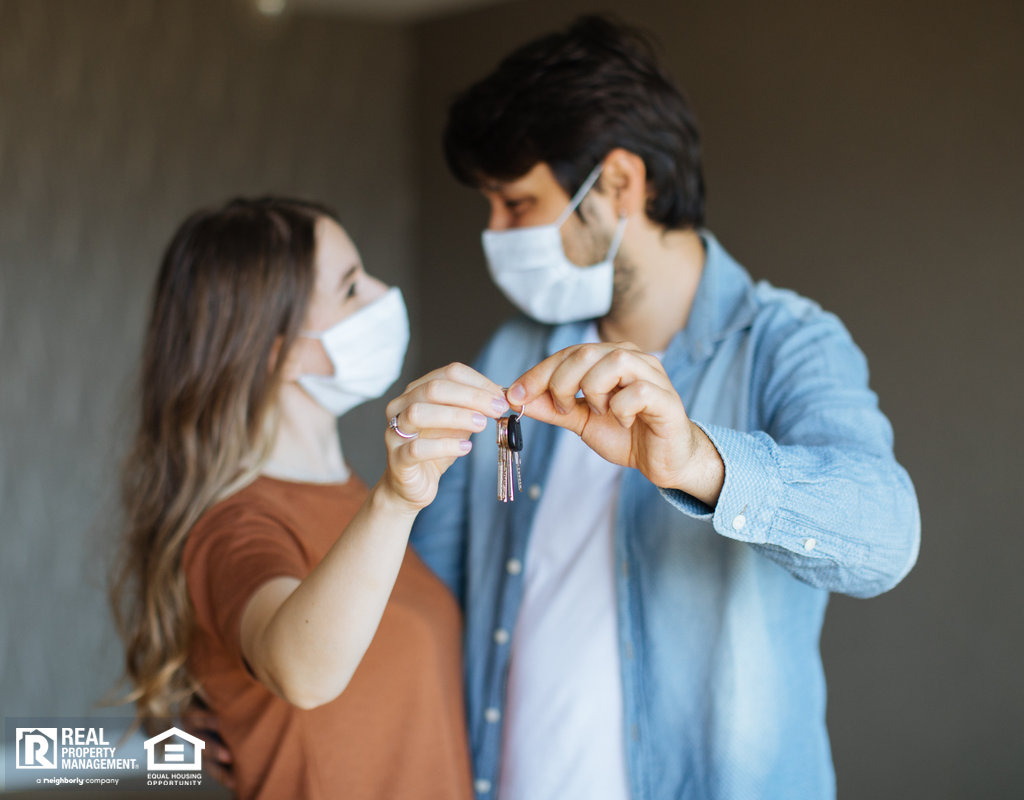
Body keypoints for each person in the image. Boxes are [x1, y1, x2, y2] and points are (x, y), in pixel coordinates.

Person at [410, 15, 921, 800]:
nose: (494, 231)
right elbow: (430, 591)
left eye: (516, 204)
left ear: (618, 184)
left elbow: (886, 539)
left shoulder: (786, 342)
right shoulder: (511, 353)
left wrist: (698, 463)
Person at [109, 197, 513, 799]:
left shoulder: (353, 499)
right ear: (281, 350)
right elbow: (301, 673)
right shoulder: (234, 525)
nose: (382, 292)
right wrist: (396, 500)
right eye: (351, 289)